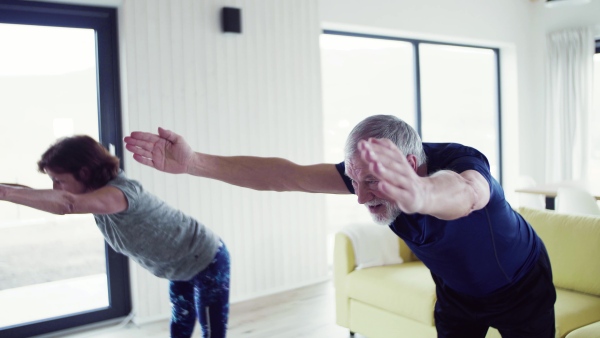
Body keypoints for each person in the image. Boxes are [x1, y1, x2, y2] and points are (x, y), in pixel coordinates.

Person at [124, 114, 556, 338]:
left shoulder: (464, 165)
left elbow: (464, 195)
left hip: (521, 287)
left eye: (371, 183)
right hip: (458, 294)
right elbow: (285, 175)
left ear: (410, 164)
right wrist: (195, 162)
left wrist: (419, 194)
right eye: (355, 181)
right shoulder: (364, 173)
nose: (362, 197)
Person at [0, 135, 230, 338]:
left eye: (59, 180)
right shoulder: (90, 190)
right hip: (178, 265)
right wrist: (4, 190)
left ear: (84, 172)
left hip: (206, 258)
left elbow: (67, 204)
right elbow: (45, 195)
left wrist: (7, 193)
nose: (54, 187)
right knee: (181, 322)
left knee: (211, 329)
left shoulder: (120, 192)